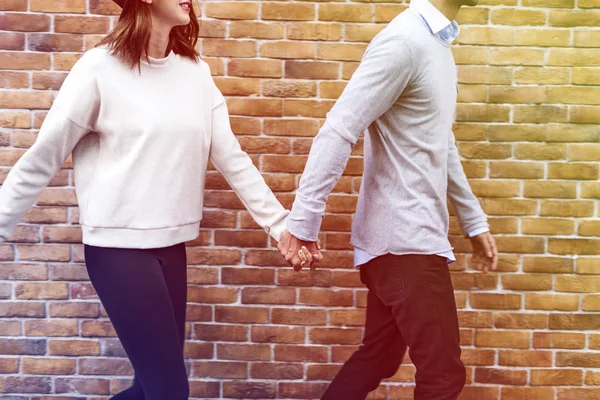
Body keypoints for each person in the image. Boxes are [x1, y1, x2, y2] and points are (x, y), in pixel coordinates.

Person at [0, 0, 321, 398]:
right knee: (169, 391)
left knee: (153, 388)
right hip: (118, 250)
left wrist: (280, 225)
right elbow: (41, 159)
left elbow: (232, 157)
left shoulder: (195, 74)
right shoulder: (98, 70)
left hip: (170, 248)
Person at [277, 0, 498, 399]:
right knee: (443, 377)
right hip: (406, 243)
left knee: (379, 358)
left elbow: (440, 143)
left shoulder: (437, 45)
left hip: (405, 242)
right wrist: (303, 222)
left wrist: (474, 221)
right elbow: (339, 128)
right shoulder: (404, 41)